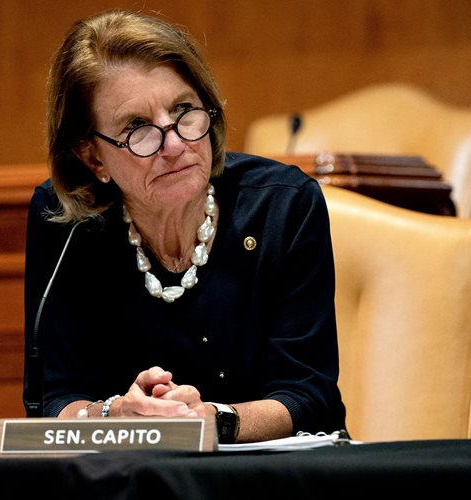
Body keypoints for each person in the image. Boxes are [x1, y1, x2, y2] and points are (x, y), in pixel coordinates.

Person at [23, 8, 347, 444]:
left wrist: (216, 421)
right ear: (93, 157)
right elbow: (54, 397)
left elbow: (310, 395)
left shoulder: (283, 206)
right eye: (137, 127)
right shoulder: (66, 223)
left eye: (184, 111)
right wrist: (112, 415)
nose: (174, 144)